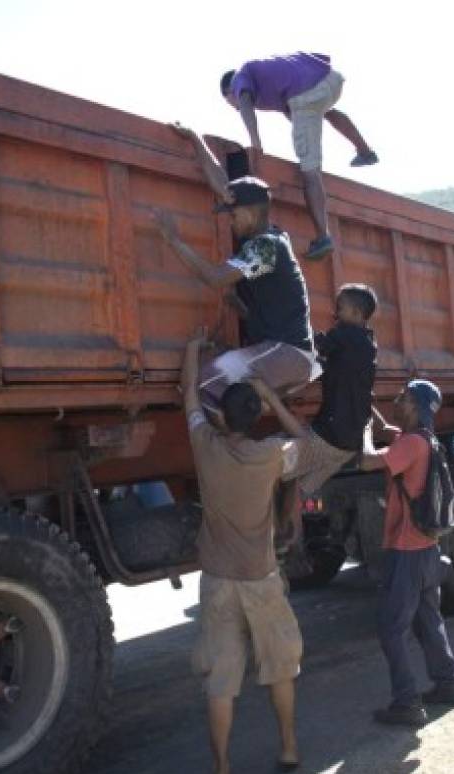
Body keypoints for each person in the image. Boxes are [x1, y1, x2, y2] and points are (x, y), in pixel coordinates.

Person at [181, 333, 307, 774]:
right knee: (279, 666)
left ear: (220, 417)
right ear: (255, 418)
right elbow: (303, 440)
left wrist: (193, 351)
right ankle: (290, 749)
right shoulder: (269, 453)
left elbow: (189, 395)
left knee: (220, 680)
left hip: (217, 579)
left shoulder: (205, 445)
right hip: (261, 577)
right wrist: (272, 397)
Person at [154, 176, 317, 417]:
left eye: (233, 215)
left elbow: (215, 278)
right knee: (214, 377)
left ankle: (222, 446)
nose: (230, 223)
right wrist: (238, 307)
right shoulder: (273, 240)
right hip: (284, 353)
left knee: (205, 381)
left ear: (251, 213)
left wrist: (173, 240)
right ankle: (231, 437)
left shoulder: (266, 246)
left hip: (287, 351)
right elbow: (272, 309)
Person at [359, 379, 454, 727]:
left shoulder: (411, 445)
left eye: (402, 397)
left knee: (392, 628)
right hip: (427, 550)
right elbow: (390, 430)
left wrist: (362, 432)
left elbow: (367, 461)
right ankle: (449, 684)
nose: (397, 400)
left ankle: (406, 703)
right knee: (429, 621)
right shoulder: (425, 440)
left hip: (406, 551)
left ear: (416, 407)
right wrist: (368, 408)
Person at [220, 52, 379, 260]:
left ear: (229, 92)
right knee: (325, 111)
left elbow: (246, 103)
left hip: (306, 94)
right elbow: (292, 111)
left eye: (230, 102)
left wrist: (255, 142)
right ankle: (365, 151)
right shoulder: (263, 75)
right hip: (330, 80)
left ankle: (323, 237)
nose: (235, 106)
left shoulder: (240, 78)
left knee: (309, 170)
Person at [276, 284, 380, 556]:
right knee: (299, 485)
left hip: (330, 435)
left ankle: (282, 534)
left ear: (357, 313)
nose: (335, 313)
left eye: (340, 308)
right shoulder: (369, 343)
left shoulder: (345, 335)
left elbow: (314, 345)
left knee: (279, 470)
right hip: (348, 442)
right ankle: (288, 536)